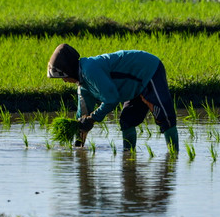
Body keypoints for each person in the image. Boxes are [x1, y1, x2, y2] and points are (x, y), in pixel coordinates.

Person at [47, 43, 179, 153]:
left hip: (148, 69)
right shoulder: (83, 84)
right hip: (132, 86)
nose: (64, 81)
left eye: (63, 76)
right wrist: (79, 142)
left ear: (69, 70)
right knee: (127, 121)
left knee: (164, 116)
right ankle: (129, 156)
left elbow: (112, 99)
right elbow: (83, 115)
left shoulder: (90, 70)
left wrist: (93, 119)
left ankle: (174, 157)